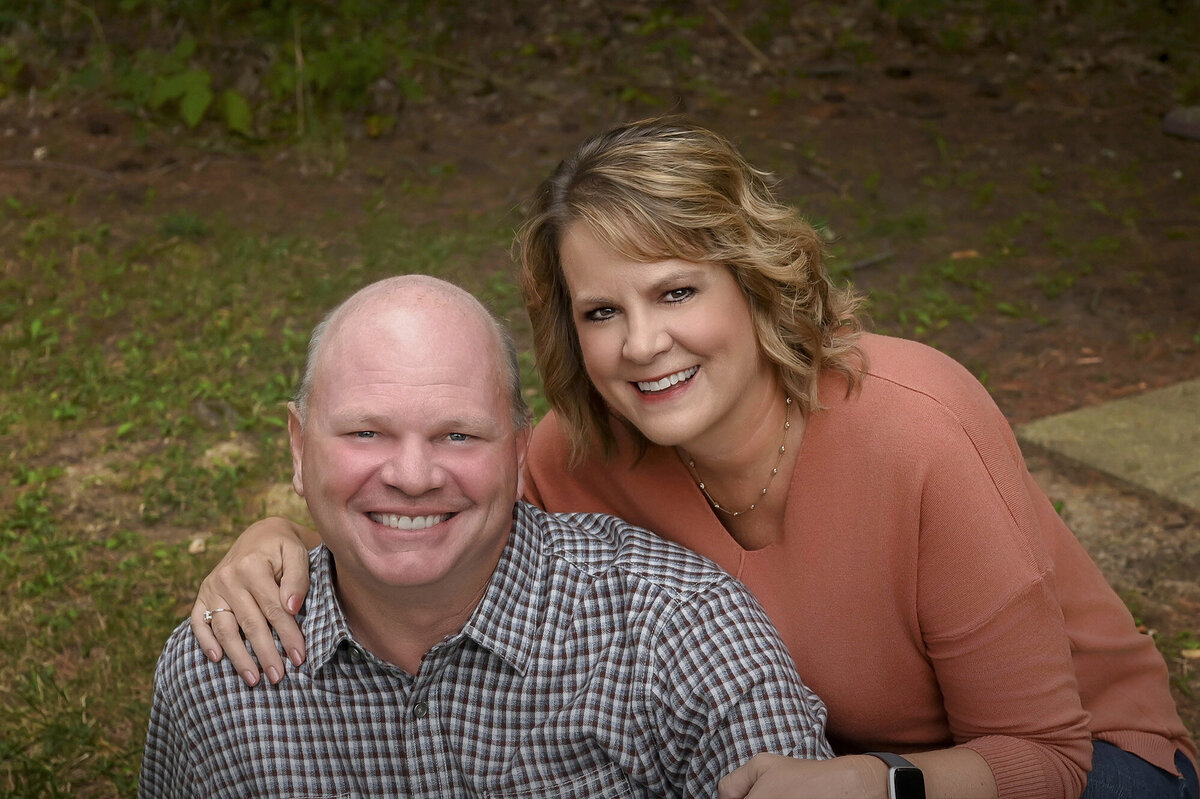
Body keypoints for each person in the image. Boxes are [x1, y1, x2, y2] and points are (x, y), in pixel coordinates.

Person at [191, 119, 1198, 799]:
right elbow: (430, 511)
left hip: (1068, 767)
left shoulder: (918, 427)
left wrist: (874, 778)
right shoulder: (578, 454)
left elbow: (1047, 755)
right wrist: (274, 532)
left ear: (752, 282)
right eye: (602, 311)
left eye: (675, 292)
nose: (642, 344)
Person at [141, 275, 832, 798]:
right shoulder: (216, 675)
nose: (412, 475)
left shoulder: (677, 630)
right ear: (298, 448)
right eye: (365, 432)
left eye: (457, 434)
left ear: (518, 451)